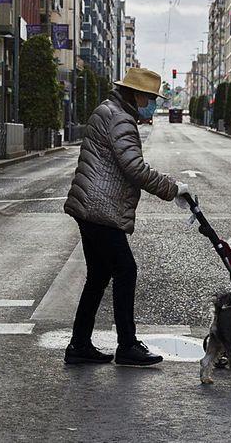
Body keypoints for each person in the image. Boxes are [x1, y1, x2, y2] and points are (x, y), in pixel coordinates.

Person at [62, 67, 190, 367]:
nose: (153, 104)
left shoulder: (110, 110)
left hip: (90, 206)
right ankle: (127, 345)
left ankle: (80, 344)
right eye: (150, 98)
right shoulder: (120, 118)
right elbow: (133, 167)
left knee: (98, 276)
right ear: (136, 94)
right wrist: (173, 189)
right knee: (125, 271)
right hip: (100, 208)